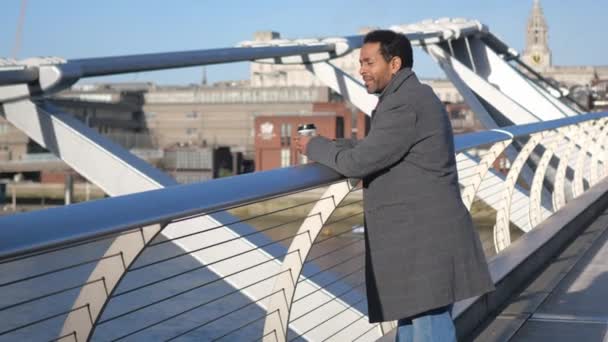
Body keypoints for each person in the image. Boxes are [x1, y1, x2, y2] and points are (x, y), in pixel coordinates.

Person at [295, 30, 494, 341]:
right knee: (414, 327)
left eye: (368, 62)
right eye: (360, 63)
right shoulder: (410, 97)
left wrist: (313, 148)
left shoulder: (404, 105)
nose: (361, 69)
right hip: (421, 238)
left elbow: (358, 163)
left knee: (430, 328)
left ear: (394, 64)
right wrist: (327, 143)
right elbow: (377, 147)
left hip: (424, 241)